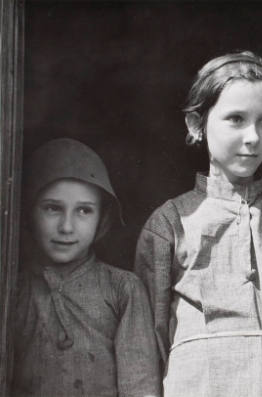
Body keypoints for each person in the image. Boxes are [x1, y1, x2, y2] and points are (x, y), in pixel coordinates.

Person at [134, 50, 262, 397]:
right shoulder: (169, 223)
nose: (254, 136)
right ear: (196, 125)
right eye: (236, 119)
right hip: (196, 384)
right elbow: (150, 339)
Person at [13, 138, 161, 397]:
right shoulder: (13, 290)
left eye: (84, 211)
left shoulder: (122, 289)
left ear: (102, 217)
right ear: (28, 211)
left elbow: (139, 387)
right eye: (52, 208)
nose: (67, 226)